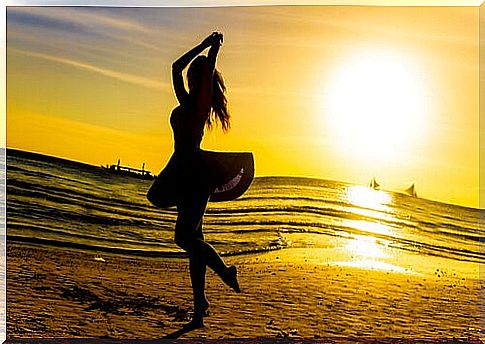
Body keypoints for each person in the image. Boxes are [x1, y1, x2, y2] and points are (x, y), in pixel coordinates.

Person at [147, 32, 254, 329]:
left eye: (197, 75)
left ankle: (225, 271)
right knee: (195, 240)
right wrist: (203, 44)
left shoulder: (200, 105)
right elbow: (173, 67)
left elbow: (204, 70)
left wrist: (212, 51)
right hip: (181, 170)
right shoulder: (186, 101)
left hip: (194, 172)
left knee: (184, 238)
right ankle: (199, 308)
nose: (193, 78)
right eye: (194, 75)